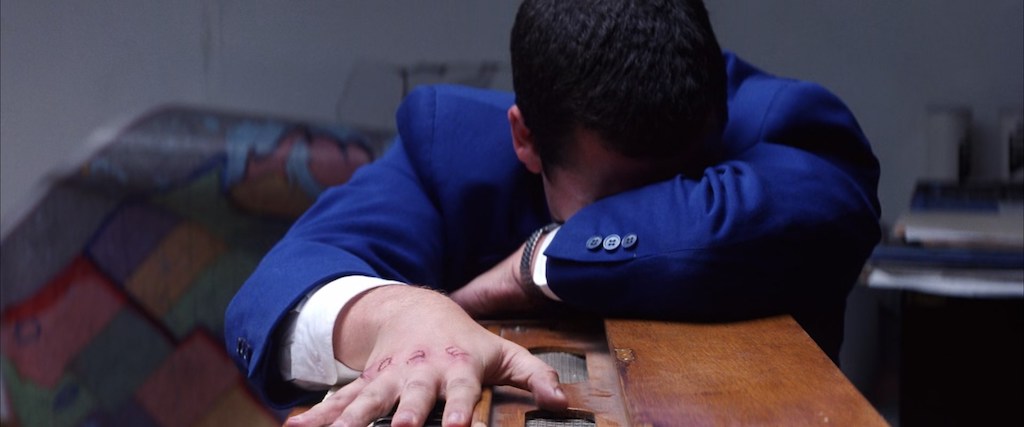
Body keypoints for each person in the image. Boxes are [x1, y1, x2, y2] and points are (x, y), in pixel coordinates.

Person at [225, 0, 882, 425]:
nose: (653, 208)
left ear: (717, 106)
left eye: (685, 181)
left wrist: (541, 260)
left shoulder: (784, 124)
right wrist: (399, 313)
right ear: (525, 139)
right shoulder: (452, 147)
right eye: (621, 199)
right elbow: (275, 292)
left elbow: (819, 216)